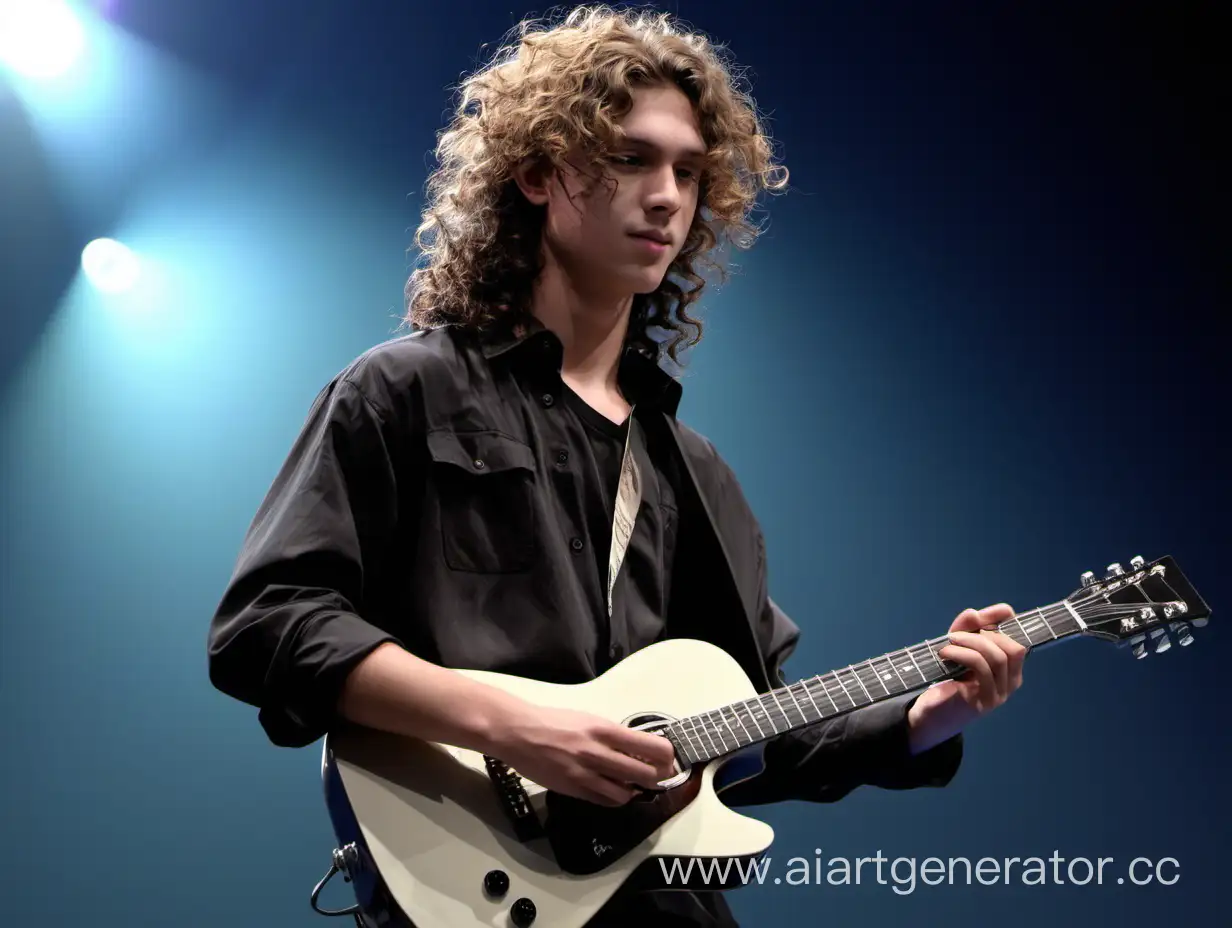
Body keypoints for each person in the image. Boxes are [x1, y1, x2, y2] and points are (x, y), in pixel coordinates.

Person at [207, 6, 1027, 925]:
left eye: (688, 170)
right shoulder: (405, 391)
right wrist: (514, 726)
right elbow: (268, 626)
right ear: (536, 173)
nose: (668, 194)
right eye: (631, 158)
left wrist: (926, 718)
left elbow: (755, 728)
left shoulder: (700, 475)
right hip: (470, 890)